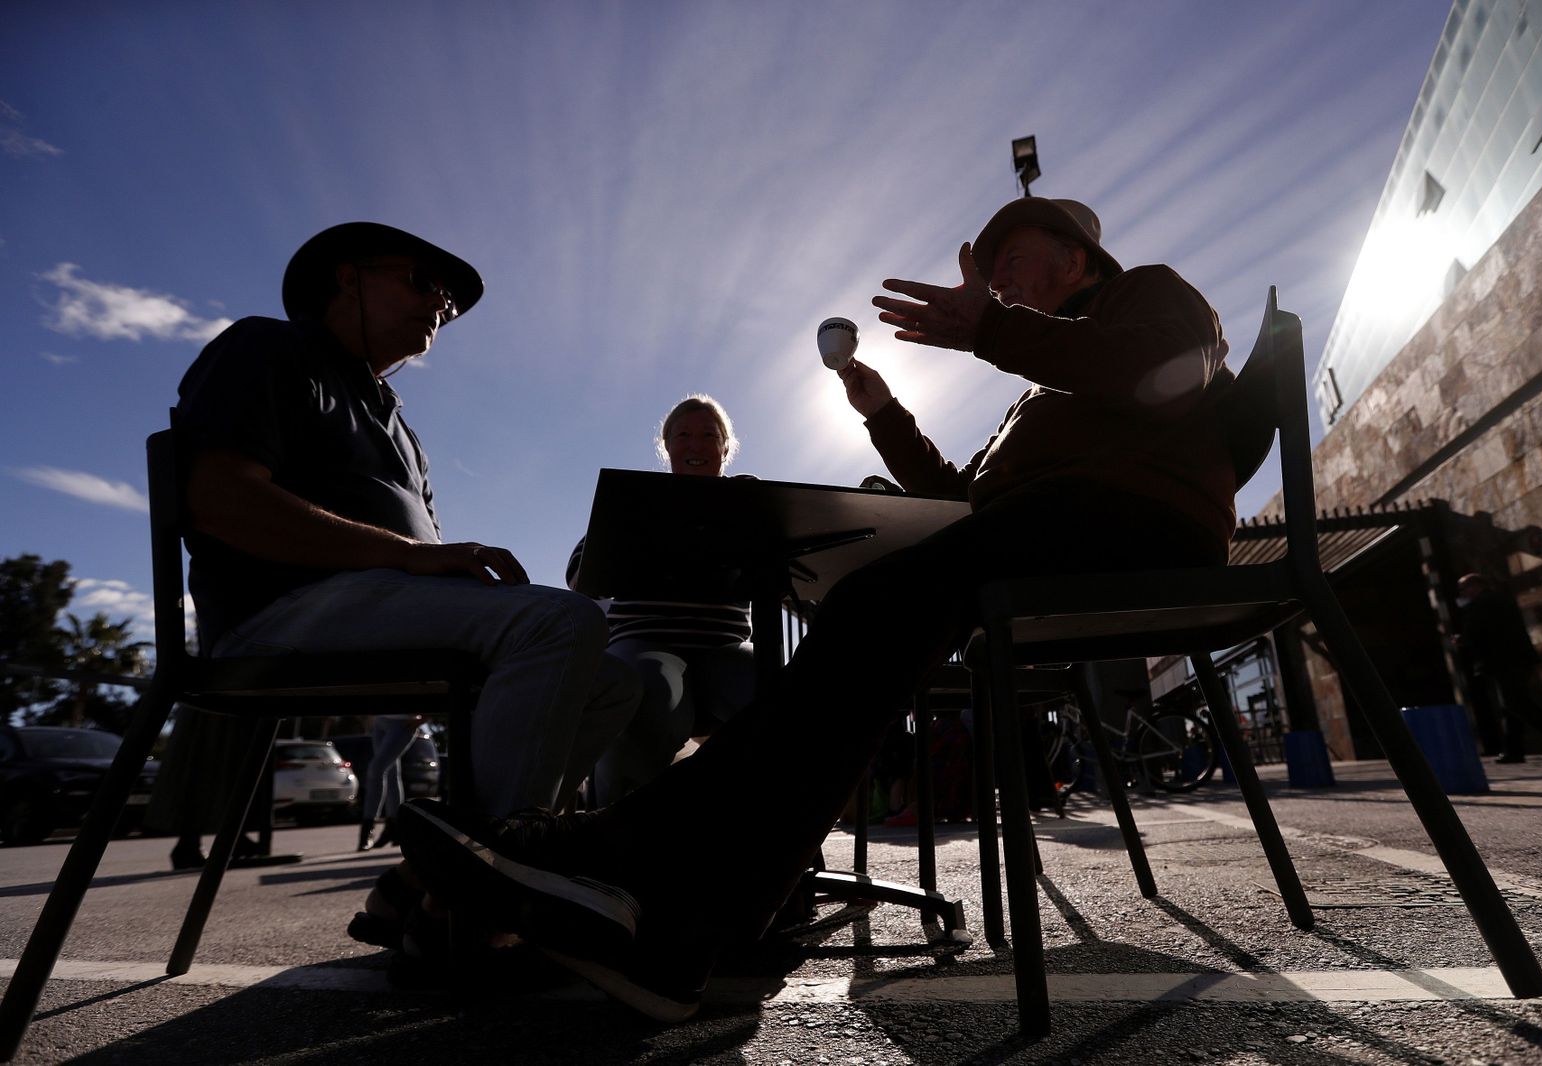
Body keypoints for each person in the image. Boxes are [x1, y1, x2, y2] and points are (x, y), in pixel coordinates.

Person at [398, 197, 1236, 1022]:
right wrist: (883, 414)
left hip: (1137, 521)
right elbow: (959, 500)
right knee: (877, 605)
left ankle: (624, 861)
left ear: (1077, 259)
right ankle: (686, 929)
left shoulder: (1144, 295)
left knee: (881, 604)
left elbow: (1166, 372)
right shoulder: (1039, 394)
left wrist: (988, 329)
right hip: (1048, 531)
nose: (997, 283)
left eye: (1009, 262)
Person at [168, 222, 639, 923]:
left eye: (446, 302)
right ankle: (489, 894)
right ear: (347, 277)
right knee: (558, 620)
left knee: (614, 679)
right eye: (421, 282)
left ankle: (433, 882)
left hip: (374, 610)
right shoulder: (271, 346)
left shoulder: (399, 425)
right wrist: (414, 558)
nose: (439, 306)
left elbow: (413, 558)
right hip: (278, 611)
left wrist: (450, 589)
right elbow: (216, 500)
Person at [567, 396, 757, 805]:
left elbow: (784, 571)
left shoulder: (748, 502)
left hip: (725, 647)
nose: (696, 445)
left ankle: (779, 830)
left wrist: (755, 521)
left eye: (709, 435)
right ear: (666, 446)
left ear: (726, 447)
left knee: (786, 691)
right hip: (646, 641)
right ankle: (615, 830)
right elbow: (581, 578)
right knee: (649, 693)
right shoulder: (635, 500)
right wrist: (626, 535)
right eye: (683, 435)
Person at [1454, 573, 1542, 764]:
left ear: (1475, 586)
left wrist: (1461, 639)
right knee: (1512, 706)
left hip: (1504, 661)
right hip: (1516, 659)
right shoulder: (1499, 599)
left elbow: (1478, 631)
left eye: (1463, 589)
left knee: (1517, 705)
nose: (1462, 593)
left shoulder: (1482, 604)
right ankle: (1514, 751)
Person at [359, 714, 423, 851]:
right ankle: (394, 829)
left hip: (403, 722)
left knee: (376, 769)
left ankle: (367, 829)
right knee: (391, 774)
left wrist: (425, 718)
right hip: (380, 721)